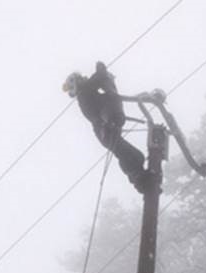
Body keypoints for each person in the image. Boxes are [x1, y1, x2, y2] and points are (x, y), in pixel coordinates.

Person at [63, 62, 148, 193]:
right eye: (80, 78)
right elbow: (99, 78)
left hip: (106, 129)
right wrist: (101, 69)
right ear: (77, 83)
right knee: (130, 155)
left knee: (134, 156)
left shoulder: (86, 93)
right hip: (105, 129)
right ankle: (138, 179)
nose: (84, 79)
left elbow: (100, 82)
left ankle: (139, 178)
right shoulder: (85, 92)